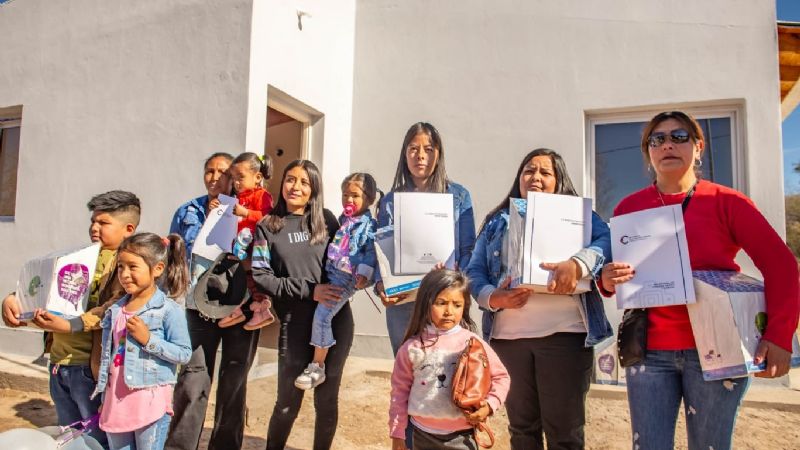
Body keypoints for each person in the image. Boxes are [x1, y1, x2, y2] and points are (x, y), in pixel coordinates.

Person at [599, 111, 800, 450]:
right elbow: (611, 276)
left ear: (699, 146)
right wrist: (607, 278)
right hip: (649, 352)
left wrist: (779, 335)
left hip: (719, 348)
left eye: (679, 136)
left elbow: (782, 267)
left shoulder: (728, 203)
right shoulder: (627, 208)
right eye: (657, 139)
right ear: (648, 151)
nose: (668, 145)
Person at [465, 148, 613, 450]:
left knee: (565, 434)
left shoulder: (580, 215)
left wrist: (579, 263)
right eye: (529, 170)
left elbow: (608, 240)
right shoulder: (497, 221)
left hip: (565, 338)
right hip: (508, 341)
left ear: (559, 180)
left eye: (545, 172)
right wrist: (494, 298)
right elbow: (474, 271)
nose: (536, 177)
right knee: (521, 430)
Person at [2, 190, 141, 448]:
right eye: (93, 221)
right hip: (59, 363)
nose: (94, 227)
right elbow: (45, 286)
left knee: (96, 436)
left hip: (90, 370)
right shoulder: (78, 257)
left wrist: (69, 325)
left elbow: (116, 307)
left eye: (104, 222)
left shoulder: (129, 266)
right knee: (69, 434)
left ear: (128, 229)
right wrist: (13, 300)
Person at [251, 159, 349, 450]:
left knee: (327, 400)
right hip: (295, 324)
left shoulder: (328, 221)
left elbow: (351, 256)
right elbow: (261, 276)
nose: (296, 186)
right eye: (290, 179)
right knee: (287, 402)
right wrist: (310, 290)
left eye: (304, 182)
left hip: (336, 322)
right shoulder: (267, 226)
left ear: (314, 189)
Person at [166, 152, 260, 450]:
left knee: (233, 384)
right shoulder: (187, 211)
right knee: (192, 382)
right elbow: (174, 260)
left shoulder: (248, 210)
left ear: (234, 177)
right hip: (196, 309)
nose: (215, 177)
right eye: (209, 171)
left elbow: (267, 256)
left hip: (238, 310)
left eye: (223, 172)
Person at [376, 122, 477, 355]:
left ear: (439, 154)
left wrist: (455, 282)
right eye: (413, 149)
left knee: (448, 372)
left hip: (446, 300)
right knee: (407, 373)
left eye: (429, 149)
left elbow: (468, 249)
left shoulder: (459, 195)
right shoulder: (390, 201)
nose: (420, 156)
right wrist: (382, 286)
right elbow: (380, 254)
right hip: (403, 304)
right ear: (404, 154)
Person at [91, 232, 192, 450]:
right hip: (116, 405)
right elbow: (111, 359)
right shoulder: (115, 310)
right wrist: (105, 399)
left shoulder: (168, 310)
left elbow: (184, 353)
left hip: (150, 405)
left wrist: (148, 340)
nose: (125, 274)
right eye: (120, 267)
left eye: (132, 267)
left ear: (157, 269)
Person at [389, 269, 510, 450]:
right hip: (421, 435)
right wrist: (397, 433)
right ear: (425, 304)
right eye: (441, 303)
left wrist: (490, 406)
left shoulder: (472, 343)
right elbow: (399, 393)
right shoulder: (411, 348)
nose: (448, 311)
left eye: (457, 305)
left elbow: (501, 377)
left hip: (463, 436)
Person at [295, 172, 380, 390]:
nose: (348, 200)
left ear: (369, 199)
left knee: (322, 316)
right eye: (345, 195)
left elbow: (370, 252)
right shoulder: (344, 219)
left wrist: (364, 274)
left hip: (345, 279)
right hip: (332, 273)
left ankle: (317, 366)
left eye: (355, 196)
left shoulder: (368, 225)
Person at [220, 151, 275, 330]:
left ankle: (260, 308)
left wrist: (246, 213)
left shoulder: (262, 195)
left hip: (255, 247)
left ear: (257, 177)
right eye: (234, 178)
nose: (236, 182)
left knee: (252, 279)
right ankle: (239, 309)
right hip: (240, 246)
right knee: (238, 277)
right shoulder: (238, 198)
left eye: (241, 177)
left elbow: (268, 218)